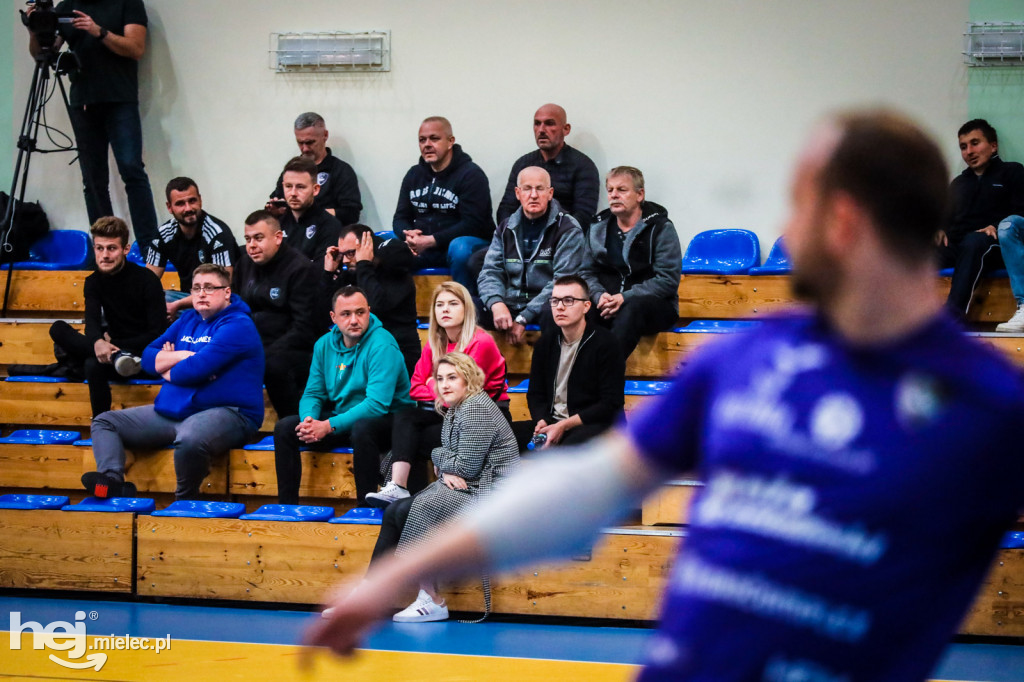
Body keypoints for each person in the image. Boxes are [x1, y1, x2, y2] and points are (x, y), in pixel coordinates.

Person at [307, 110, 1024, 681]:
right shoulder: (754, 354)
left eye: (799, 205)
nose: (789, 231)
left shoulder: (990, 408)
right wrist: (402, 572)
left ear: (843, 221)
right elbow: (588, 487)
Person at [361, 352, 520, 623]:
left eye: (452, 378)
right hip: (471, 484)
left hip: (490, 492)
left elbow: (465, 468)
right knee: (395, 510)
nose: (444, 384)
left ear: (468, 379)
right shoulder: (456, 407)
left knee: (418, 508)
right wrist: (446, 465)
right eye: (440, 379)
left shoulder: (476, 408)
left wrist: (440, 460)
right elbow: (453, 460)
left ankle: (432, 600)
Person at [83, 264, 264, 500]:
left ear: (227, 292)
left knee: (189, 438)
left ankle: (184, 501)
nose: (201, 294)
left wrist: (169, 367)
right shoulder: (188, 318)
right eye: (196, 288)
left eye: (209, 288)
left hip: (229, 411)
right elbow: (146, 356)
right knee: (105, 422)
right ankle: (113, 481)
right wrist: (181, 357)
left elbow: (196, 370)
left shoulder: (238, 325)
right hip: (177, 410)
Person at [363, 281, 509, 508]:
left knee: (414, 440)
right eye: (439, 305)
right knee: (405, 416)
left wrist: (433, 384)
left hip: (482, 420)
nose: (445, 309)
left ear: (466, 308)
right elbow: (415, 387)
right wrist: (440, 388)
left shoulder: (481, 342)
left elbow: (467, 393)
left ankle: (415, 505)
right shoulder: (434, 344)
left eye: (452, 303)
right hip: (448, 414)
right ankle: (398, 487)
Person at [28, 0, 159, 249]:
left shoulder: (128, 3)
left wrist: (98, 31)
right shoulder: (66, 6)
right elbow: (44, 54)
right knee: (93, 180)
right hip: (84, 103)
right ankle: (106, 245)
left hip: (120, 98)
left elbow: (135, 48)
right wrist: (36, 29)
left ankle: (150, 245)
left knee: (132, 171)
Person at [273, 286, 413, 506]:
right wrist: (309, 419)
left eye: (360, 312)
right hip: (344, 418)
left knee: (363, 428)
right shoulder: (324, 345)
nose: (354, 320)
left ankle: (365, 507)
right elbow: (313, 392)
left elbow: (376, 405)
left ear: (369, 311)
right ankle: (286, 507)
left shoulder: (382, 344)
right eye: (346, 314)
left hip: (389, 422)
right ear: (334, 317)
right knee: (285, 428)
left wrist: (328, 426)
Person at [48, 216, 165, 416]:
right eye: (99, 248)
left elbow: (158, 332)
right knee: (57, 328)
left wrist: (114, 343)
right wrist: (98, 342)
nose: (104, 255)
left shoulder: (147, 280)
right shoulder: (93, 281)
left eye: (111, 248)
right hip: (111, 355)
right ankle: (102, 422)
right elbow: (91, 321)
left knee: (92, 363)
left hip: (141, 353)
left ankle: (101, 424)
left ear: (126, 249)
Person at [477, 166, 585, 345]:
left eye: (540, 189)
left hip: (546, 305)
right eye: (527, 189)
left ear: (550, 193)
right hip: (510, 303)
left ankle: (551, 371)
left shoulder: (568, 229)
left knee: (556, 312)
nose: (533, 195)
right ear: (518, 193)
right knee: (465, 308)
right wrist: (496, 303)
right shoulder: (506, 227)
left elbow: (563, 282)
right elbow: (490, 271)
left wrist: (524, 317)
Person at [514, 275, 624, 450]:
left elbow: (610, 404)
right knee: (502, 436)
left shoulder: (606, 343)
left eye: (569, 300)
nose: (560, 307)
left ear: (586, 306)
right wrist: (541, 421)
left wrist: (563, 426)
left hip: (591, 424)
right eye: (555, 300)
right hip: (553, 422)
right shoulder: (545, 342)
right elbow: (535, 394)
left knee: (569, 449)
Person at [583, 167, 682, 356]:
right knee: (579, 309)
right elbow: (586, 272)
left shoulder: (660, 227)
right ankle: (577, 374)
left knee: (632, 308)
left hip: (653, 307)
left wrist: (624, 297)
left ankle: (606, 370)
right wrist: (599, 295)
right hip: (607, 303)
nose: (614, 195)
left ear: (639, 194)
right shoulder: (597, 226)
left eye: (622, 190)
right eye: (610, 190)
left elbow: (667, 280)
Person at [392, 116, 495, 291]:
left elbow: (474, 224)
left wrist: (432, 240)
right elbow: (400, 217)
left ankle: (466, 308)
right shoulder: (414, 175)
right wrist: (408, 237)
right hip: (422, 245)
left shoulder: (471, 175)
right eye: (422, 140)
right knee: (385, 245)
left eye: (434, 138)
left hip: (459, 244)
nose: (427, 144)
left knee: (460, 248)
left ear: (450, 142)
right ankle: (399, 313)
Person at [233, 210, 319, 417]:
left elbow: (304, 327)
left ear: (278, 238)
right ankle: (236, 423)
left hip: (291, 348)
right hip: (252, 343)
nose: (251, 245)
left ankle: (292, 423)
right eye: (248, 239)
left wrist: (265, 352)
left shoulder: (300, 269)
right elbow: (234, 309)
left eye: (258, 238)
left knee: (273, 365)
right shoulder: (244, 264)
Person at [938, 119, 1024, 318]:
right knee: (918, 252)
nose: (969, 151)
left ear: (993, 146)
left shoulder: (1013, 172)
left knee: (973, 242)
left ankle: (953, 319)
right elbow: (946, 218)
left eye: (975, 143)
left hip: (994, 245)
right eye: (963, 147)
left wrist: (996, 226)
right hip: (960, 245)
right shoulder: (959, 183)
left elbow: (1022, 213)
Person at [322, 224, 420, 376]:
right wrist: (328, 274)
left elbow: (375, 307)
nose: (346, 260)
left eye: (351, 253)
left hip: (397, 353)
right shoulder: (356, 272)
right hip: (362, 354)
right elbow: (322, 311)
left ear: (368, 247)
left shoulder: (392, 269)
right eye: (343, 254)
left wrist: (363, 264)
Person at [146, 177, 239, 319]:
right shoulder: (164, 234)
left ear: (200, 200)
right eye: (180, 204)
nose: (188, 208)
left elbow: (220, 288)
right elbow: (147, 280)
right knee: (145, 300)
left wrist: (177, 305)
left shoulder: (218, 234)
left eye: (192, 201)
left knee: (164, 302)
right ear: (169, 207)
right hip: (187, 299)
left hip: (220, 303)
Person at [496, 104, 600, 228]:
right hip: (524, 236)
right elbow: (506, 209)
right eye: (537, 123)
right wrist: (513, 235)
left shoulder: (583, 166)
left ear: (566, 129)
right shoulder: (523, 164)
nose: (541, 130)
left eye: (549, 123)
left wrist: (553, 237)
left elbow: (584, 215)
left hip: (563, 239)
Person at [267, 112, 362, 225]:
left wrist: (310, 213)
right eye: (300, 143)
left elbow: (351, 214)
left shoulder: (341, 171)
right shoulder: (291, 170)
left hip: (327, 235)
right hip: (291, 235)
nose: (305, 149)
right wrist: (274, 210)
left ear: (325, 135)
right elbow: (277, 202)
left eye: (310, 142)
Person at [277, 156, 343, 262]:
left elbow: (319, 273)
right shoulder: (276, 223)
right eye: (288, 186)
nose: (293, 193)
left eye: (300, 187)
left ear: (315, 189)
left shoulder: (330, 226)